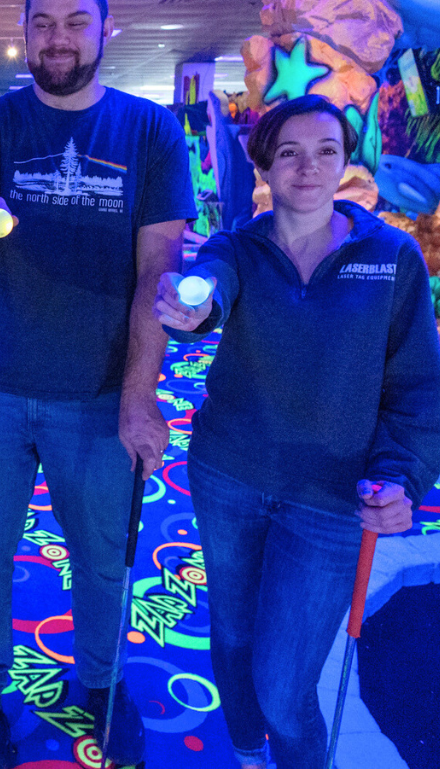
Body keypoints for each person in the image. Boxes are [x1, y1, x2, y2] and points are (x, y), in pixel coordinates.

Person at [0, 0, 196, 769]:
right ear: (26, 31)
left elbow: (158, 271)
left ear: (107, 28)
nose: (59, 39)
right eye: (43, 23)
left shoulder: (151, 133)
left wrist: (140, 396)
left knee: (103, 556)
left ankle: (101, 687)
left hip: (99, 389)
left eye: (77, 22)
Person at [154, 94, 440, 769]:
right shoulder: (239, 246)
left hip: (333, 499)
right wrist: (188, 307)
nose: (308, 168)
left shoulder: (392, 257)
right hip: (230, 477)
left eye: (325, 152)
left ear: (344, 162)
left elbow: (418, 391)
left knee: (285, 685)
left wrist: (403, 476)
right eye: (289, 152)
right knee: (231, 635)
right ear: (265, 164)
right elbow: (207, 285)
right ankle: (248, 751)